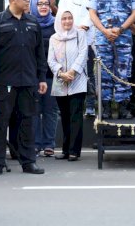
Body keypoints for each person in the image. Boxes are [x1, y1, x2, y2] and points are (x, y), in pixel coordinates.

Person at [0, 0, 47, 177]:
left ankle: (28, 161)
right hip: (5, 82)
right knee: (0, 122)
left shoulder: (32, 22)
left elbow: (40, 53)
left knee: (28, 122)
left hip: (28, 81)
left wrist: (41, 78)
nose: (29, 1)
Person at [87, 0, 135, 119]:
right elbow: (92, 13)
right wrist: (104, 30)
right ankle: (106, 107)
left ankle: (123, 107)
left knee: (123, 71)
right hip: (103, 39)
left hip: (123, 38)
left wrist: (121, 28)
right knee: (104, 72)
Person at [48, 9, 88, 161]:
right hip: (60, 81)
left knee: (75, 116)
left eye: (70, 18)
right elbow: (51, 60)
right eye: (64, 18)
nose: (67, 21)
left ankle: (74, 151)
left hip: (77, 80)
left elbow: (83, 54)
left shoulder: (80, 34)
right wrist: (60, 72)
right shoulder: (54, 38)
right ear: (59, 20)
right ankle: (65, 149)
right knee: (64, 116)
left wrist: (72, 72)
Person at [59, 0, 96, 117]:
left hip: (87, 40)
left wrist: (83, 26)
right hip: (69, 40)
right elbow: (61, 17)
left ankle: (90, 106)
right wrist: (73, 28)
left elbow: (93, 15)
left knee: (88, 74)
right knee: (69, 72)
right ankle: (70, 106)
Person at [29, 0, 59, 157]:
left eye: (46, 3)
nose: (43, 6)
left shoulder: (56, 24)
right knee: (34, 110)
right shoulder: (29, 23)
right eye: (39, 4)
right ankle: (35, 144)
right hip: (33, 74)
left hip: (51, 73)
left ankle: (49, 144)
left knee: (50, 110)